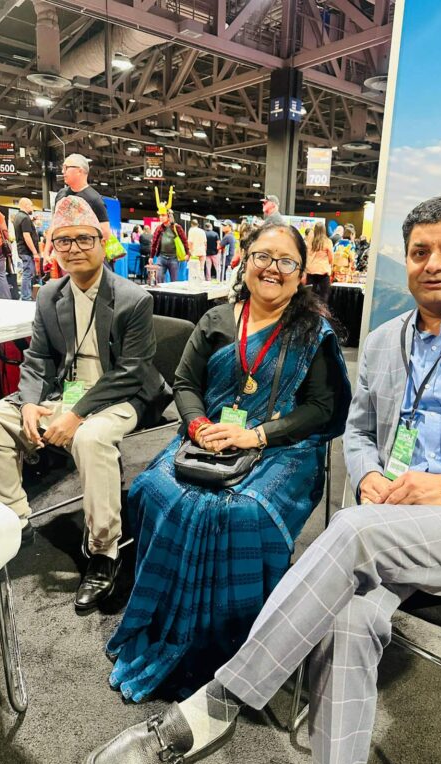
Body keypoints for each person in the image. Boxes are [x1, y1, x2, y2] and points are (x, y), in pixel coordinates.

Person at [85, 195, 441, 764]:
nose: (434, 263)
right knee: (346, 622)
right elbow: (358, 432)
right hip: (393, 519)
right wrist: (370, 474)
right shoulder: (384, 340)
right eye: (419, 252)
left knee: (352, 531)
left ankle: (217, 704)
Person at [103, 221, 351, 703]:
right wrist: (198, 427)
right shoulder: (216, 319)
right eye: (263, 256)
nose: (273, 268)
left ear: (302, 274)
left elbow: (322, 409)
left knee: (241, 511)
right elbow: (185, 384)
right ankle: (161, 621)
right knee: (154, 489)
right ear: (245, 260)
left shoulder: (312, 334)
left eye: (286, 261)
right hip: (208, 437)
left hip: (282, 446)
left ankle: (239, 646)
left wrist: (255, 434)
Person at [0, 196, 171, 613]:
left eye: (84, 239)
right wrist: (29, 403)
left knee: (89, 438)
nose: (74, 249)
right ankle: (17, 519)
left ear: (102, 243)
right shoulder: (50, 295)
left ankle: (104, 551)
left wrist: (76, 414)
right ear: (53, 246)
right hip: (62, 392)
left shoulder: (133, 298)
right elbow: (37, 359)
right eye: (63, 241)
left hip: (121, 394)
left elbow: (131, 371)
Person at [45, 154, 111, 256]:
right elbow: (54, 225)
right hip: (63, 253)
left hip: (84, 255)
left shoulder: (94, 199)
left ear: (79, 171)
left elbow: (105, 233)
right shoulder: (61, 194)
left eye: (66, 168)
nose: (63, 171)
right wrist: (47, 252)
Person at [150, 209, 189, 283]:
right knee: (158, 278)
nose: (161, 217)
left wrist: (187, 253)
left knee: (174, 282)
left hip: (174, 258)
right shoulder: (159, 228)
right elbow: (154, 243)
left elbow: (184, 241)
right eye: (160, 215)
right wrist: (151, 256)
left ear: (169, 216)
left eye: (163, 215)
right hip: (161, 257)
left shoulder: (176, 227)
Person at [13, 197, 40, 301]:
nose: (32, 208)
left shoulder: (18, 217)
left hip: (22, 249)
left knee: (27, 272)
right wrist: (34, 252)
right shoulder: (25, 218)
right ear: (26, 205)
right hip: (26, 251)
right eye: (31, 205)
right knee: (27, 273)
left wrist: (32, 220)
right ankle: (26, 297)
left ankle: (26, 295)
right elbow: (26, 236)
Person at [306, 221, 333, 303]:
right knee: (324, 296)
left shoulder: (310, 241)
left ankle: (310, 310)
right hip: (323, 271)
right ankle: (322, 310)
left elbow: (307, 255)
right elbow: (331, 258)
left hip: (311, 271)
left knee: (310, 296)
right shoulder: (327, 241)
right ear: (324, 230)